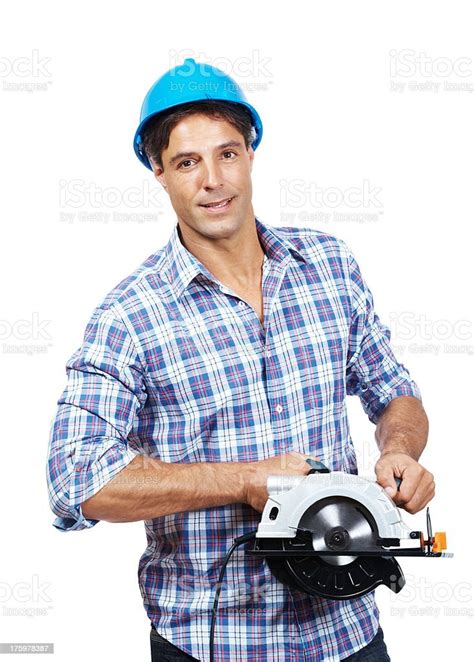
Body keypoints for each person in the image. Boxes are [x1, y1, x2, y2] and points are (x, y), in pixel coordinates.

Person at [46, 58, 435, 661]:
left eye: (227, 153)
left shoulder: (329, 265)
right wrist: (244, 479)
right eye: (186, 162)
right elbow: (77, 479)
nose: (212, 180)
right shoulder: (130, 316)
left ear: (251, 154)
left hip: (349, 632)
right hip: (215, 643)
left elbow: (393, 390)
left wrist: (399, 451)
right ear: (159, 173)